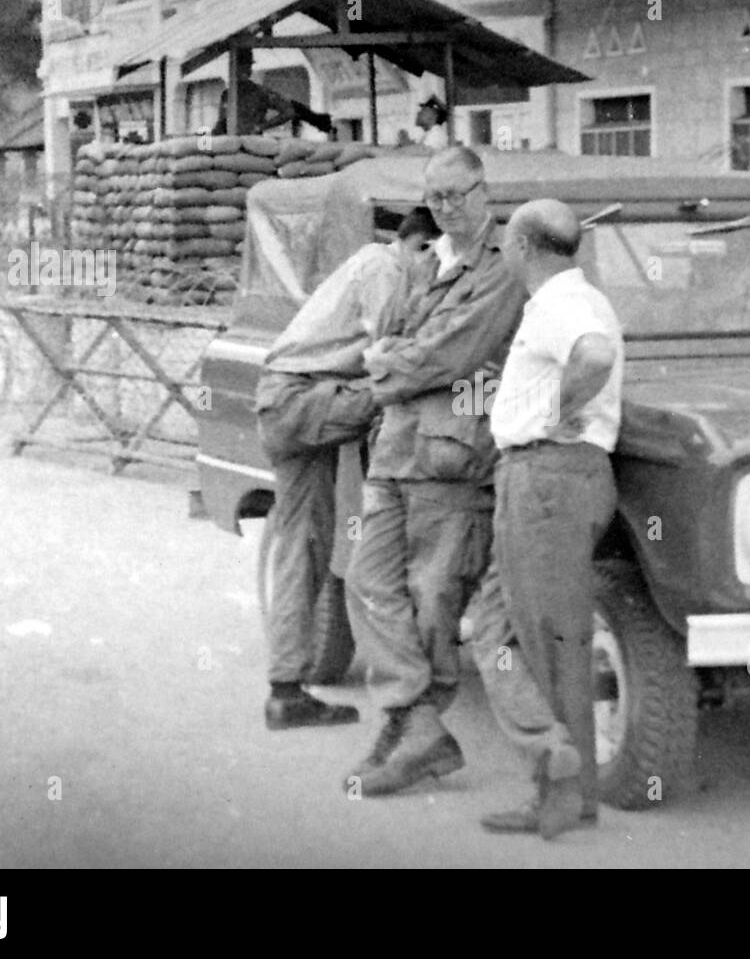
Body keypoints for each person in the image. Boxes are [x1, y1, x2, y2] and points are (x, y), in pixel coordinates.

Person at [345, 147, 528, 796]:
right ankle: (416, 720)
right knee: (366, 582)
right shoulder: (428, 262)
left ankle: (411, 728)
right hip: (397, 448)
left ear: (484, 191)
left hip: (451, 457)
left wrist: (388, 364)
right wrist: (397, 357)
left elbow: (450, 354)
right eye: (437, 198)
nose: (447, 208)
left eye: (458, 194)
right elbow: (393, 337)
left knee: (432, 598)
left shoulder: (502, 271)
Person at [470, 198, 624, 840]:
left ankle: (558, 783)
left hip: (548, 478)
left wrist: (555, 415)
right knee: (508, 626)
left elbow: (593, 356)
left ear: (526, 246)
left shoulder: (565, 305)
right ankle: (563, 775)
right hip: (553, 479)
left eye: (507, 239)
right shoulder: (570, 298)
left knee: (541, 643)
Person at [254, 207, 438, 730]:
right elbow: (390, 355)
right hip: (303, 400)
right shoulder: (385, 268)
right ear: (421, 246)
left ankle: (285, 692)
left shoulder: (375, 263)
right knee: (404, 390)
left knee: (301, 546)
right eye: (437, 260)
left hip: (284, 399)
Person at [214, 52, 333, 136]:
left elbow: (288, 111)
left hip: (252, 144)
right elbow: (221, 122)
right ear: (233, 68)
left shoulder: (260, 92)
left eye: (247, 67)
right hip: (231, 145)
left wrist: (261, 127)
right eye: (242, 67)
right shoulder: (227, 95)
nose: (245, 71)